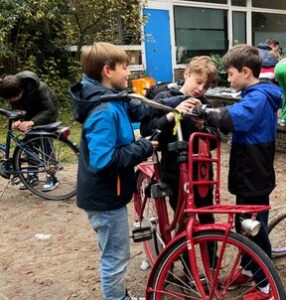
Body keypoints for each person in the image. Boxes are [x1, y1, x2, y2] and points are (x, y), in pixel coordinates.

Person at [191, 44, 283, 300]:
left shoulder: (258, 98)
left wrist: (204, 112)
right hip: (249, 177)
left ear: (245, 72)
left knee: (254, 229)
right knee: (244, 226)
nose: (228, 79)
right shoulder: (255, 95)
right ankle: (249, 269)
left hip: (254, 178)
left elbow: (232, 119)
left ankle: (265, 286)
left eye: (230, 74)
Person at [69, 42, 155, 300]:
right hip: (105, 197)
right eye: (125, 67)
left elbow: (132, 106)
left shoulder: (109, 96)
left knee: (114, 253)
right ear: (108, 70)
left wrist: (150, 101)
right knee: (115, 257)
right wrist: (144, 147)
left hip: (107, 193)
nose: (129, 73)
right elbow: (104, 159)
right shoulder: (103, 110)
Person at [140, 56, 218, 226]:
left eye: (205, 86)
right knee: (181, 217)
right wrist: (170, 116)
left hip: (201, 171)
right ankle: (180, 252)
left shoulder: (205, 104)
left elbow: (215, 140)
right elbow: (147, 132)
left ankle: (210, 250)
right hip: (174, 171)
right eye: (198, 82)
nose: (200, 89)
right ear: (186, 73)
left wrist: (202, 127)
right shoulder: (164, 97)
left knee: (206, 216)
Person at [0, 70, 59, 191]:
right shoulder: (12, 90)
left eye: (15, 97)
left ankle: (52, 176)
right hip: (29, 117)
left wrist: (32, 122)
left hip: (47, 116)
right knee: (28, 144)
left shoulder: (40, 88)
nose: (13, 100)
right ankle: (32, 175)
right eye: (10, 99)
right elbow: (18, 109)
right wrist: (19, 120)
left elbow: (49, 110)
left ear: (21, 89)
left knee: (45, 144)